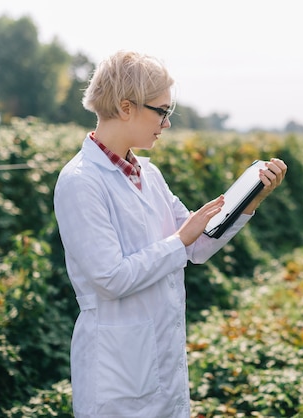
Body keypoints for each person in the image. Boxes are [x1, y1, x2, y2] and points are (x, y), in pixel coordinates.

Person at [53, 50, 287, 418]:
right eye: (162, 111)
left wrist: (250, 200)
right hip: (116, 377)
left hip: (159, 360)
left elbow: (199, 245)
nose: (166, 123)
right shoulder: (81, 182)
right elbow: (110, 278)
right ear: (126, 107)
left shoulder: (149, 174)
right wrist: (179, 240)